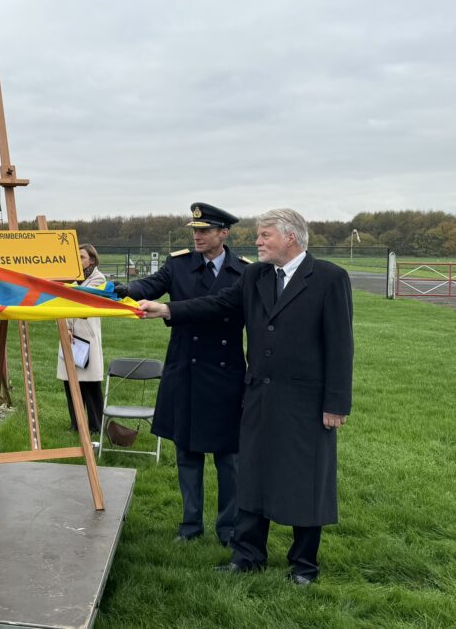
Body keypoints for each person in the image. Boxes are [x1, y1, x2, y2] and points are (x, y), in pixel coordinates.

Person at [138, 208, 353, 585]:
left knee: (305, 480)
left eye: (265, 235)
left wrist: (336, 404)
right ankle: (248, 555)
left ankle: (303, 565)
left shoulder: (329, 278)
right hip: (257, 396)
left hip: (306, 402)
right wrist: (167, 308)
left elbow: (340, 345)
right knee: (252, 476)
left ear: (291, 237)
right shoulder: (255, 275)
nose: (257, 242)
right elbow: (219, 304)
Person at [116, 203, 248, 546]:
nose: (198, 236)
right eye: (195, 230)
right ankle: (190, 526)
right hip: (185, 368)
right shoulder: (179, 264)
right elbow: (151, 285)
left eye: (205, 231)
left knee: (228, 457)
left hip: (224, 375)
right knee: (187, 453)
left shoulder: (245, 272)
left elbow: (229, 310)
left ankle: (229, 527)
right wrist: (124, 290)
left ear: (224, 233)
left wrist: (168, 309)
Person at [57, 244, 106, 433]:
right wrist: (64, 326)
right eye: (76, 257)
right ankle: (76, 423)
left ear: (91, 260)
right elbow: (60, 303)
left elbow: (79, 300)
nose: (79, 261)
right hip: (68, 334)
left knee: (90, 383)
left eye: (82, 257)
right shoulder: (70, 279)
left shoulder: (97, 279)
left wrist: (65, 288)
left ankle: (95, 425)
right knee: (70, 381)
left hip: (86, 336)